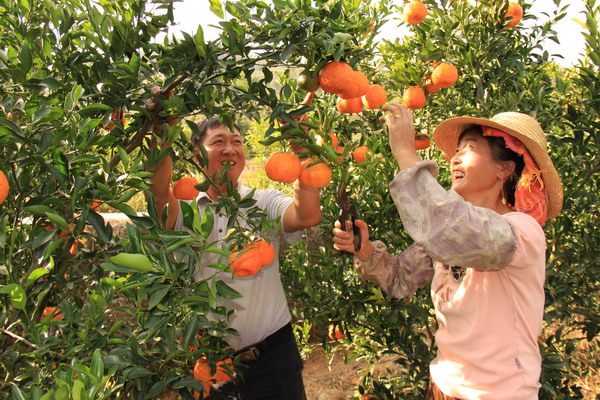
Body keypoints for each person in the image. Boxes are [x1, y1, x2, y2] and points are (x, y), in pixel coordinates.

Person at [332, 103, 563, 399]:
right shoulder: (450, 235)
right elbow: (401, 279)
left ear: (503, 168)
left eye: (469, 148)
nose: (455, 158)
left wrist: (405, 151)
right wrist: (364, 250)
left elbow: (450, 225)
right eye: (456, 150)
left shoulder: (521, 232)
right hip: (443, 386)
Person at [149, 115, 321, 399]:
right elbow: (158, 196)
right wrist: (162, 130)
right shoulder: (185, 209)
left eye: (237, 141)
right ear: (196, 154)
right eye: (218, 141)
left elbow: (308, 214)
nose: (230, 148)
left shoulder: (263, 203)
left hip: (274, 357)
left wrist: (301, 152)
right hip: (212, 363)